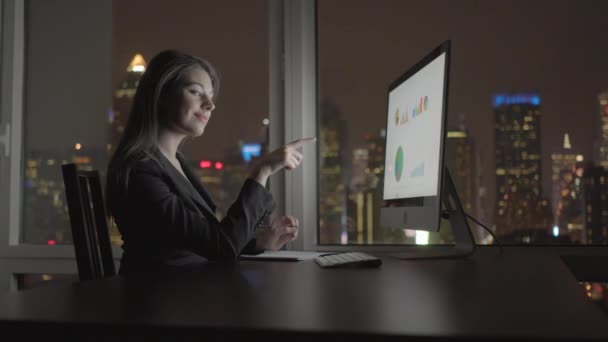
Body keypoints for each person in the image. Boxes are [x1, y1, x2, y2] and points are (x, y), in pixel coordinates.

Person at [105, 49, 315, 275]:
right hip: (159, 300)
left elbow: (203, 240)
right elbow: (220, 247)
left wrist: (259, 244)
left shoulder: (173, 163)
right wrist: (261, 171)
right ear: (161, 95)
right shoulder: (141, 169)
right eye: (196, 92)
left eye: (211, 96)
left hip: (184, 292)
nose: (210, 105)